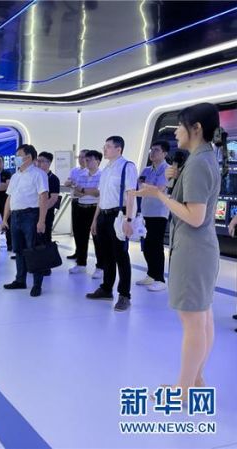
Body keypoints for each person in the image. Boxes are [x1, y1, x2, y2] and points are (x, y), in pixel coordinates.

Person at [132, 103, 221, 396]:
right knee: (202, 318)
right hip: (200, 248)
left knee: (193, 321)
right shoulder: (203, 159)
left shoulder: (198, 163)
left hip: (193, 250)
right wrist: (173, 181)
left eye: (181, 126)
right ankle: (194, 379)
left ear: (196, 129)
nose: (176, 132)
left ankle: (183, 389)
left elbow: (194, 216)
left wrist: (159, 194)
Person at [86, 136, 137, 312]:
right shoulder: (106, 169)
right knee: (106, 255)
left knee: (121, 256)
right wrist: (95, 219)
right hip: (104, 216)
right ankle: (106, 288)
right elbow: (102, 197)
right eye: (104, 146)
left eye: (108, 146)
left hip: (118, 215)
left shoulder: (127, 167)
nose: (104, 149)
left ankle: (124, 295)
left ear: (118, 149)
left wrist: (129, 220)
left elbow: (131, 194)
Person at [1, 144, 49, 297]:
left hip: (31, 215)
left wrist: (41, 220)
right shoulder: (15, 176)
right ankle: (20, 280)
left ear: (28, 157)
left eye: (18, 155)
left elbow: (43, 197)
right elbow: (9, 198)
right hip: (15, 216)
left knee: (33, 250)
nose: (16, 158)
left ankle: (37, 284)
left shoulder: (38, 174)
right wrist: (5, 219)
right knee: (18, 250)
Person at [136, 140, 170, 292]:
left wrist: (145, 186)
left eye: (156, 150)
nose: (152, 153)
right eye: (151, 150)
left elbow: (159, 189)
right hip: (146, 211)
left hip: (159, 213)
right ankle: (151, 274)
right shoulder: (146, 170)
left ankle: (160, 279)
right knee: (146, 246)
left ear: (165, 153)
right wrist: (145, 187)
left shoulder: (168, 170)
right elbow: (140, 187)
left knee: (156, 245)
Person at [68, 150, 104, 278]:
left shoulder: (102, 175)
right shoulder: (81, 174)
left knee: (98, 239)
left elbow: (98, 192)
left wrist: (83, 190)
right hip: (81, 208)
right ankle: (81, 263)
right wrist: (87, 191)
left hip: (95, 209)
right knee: (80, 237)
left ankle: (100, 267)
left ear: (98, 161)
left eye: (89, 160)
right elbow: (76, 192)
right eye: (85, 159)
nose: (86, 162)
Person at [65, 149, 88, 260]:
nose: (81, 159)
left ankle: (83, 254)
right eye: (80, 157)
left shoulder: (90, 171)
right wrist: (73, 183)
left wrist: (74, 184)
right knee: (76, 229)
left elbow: (84, 188)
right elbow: (67, 182)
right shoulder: (74, 170)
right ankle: (78, 251)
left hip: (86, 202)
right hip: (75, 201)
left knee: (84, 230)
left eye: (83, 157)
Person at [36, 152, 60, 245]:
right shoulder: (36, 176)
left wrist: (42, 211)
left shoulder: (53, 179)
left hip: (47, 213)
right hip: (33, 212)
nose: (38, 163)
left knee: (45, 237)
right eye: (37, 161)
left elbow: (53, 199)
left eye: (41, 161)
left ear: (49, 163)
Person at [0, 155, 12, 251]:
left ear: (3, 163)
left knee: (8, 222)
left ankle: (10, 244)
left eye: (0, 162)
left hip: (5, 202)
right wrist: (1, 185)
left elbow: (8, 186)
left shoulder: (7, 173)